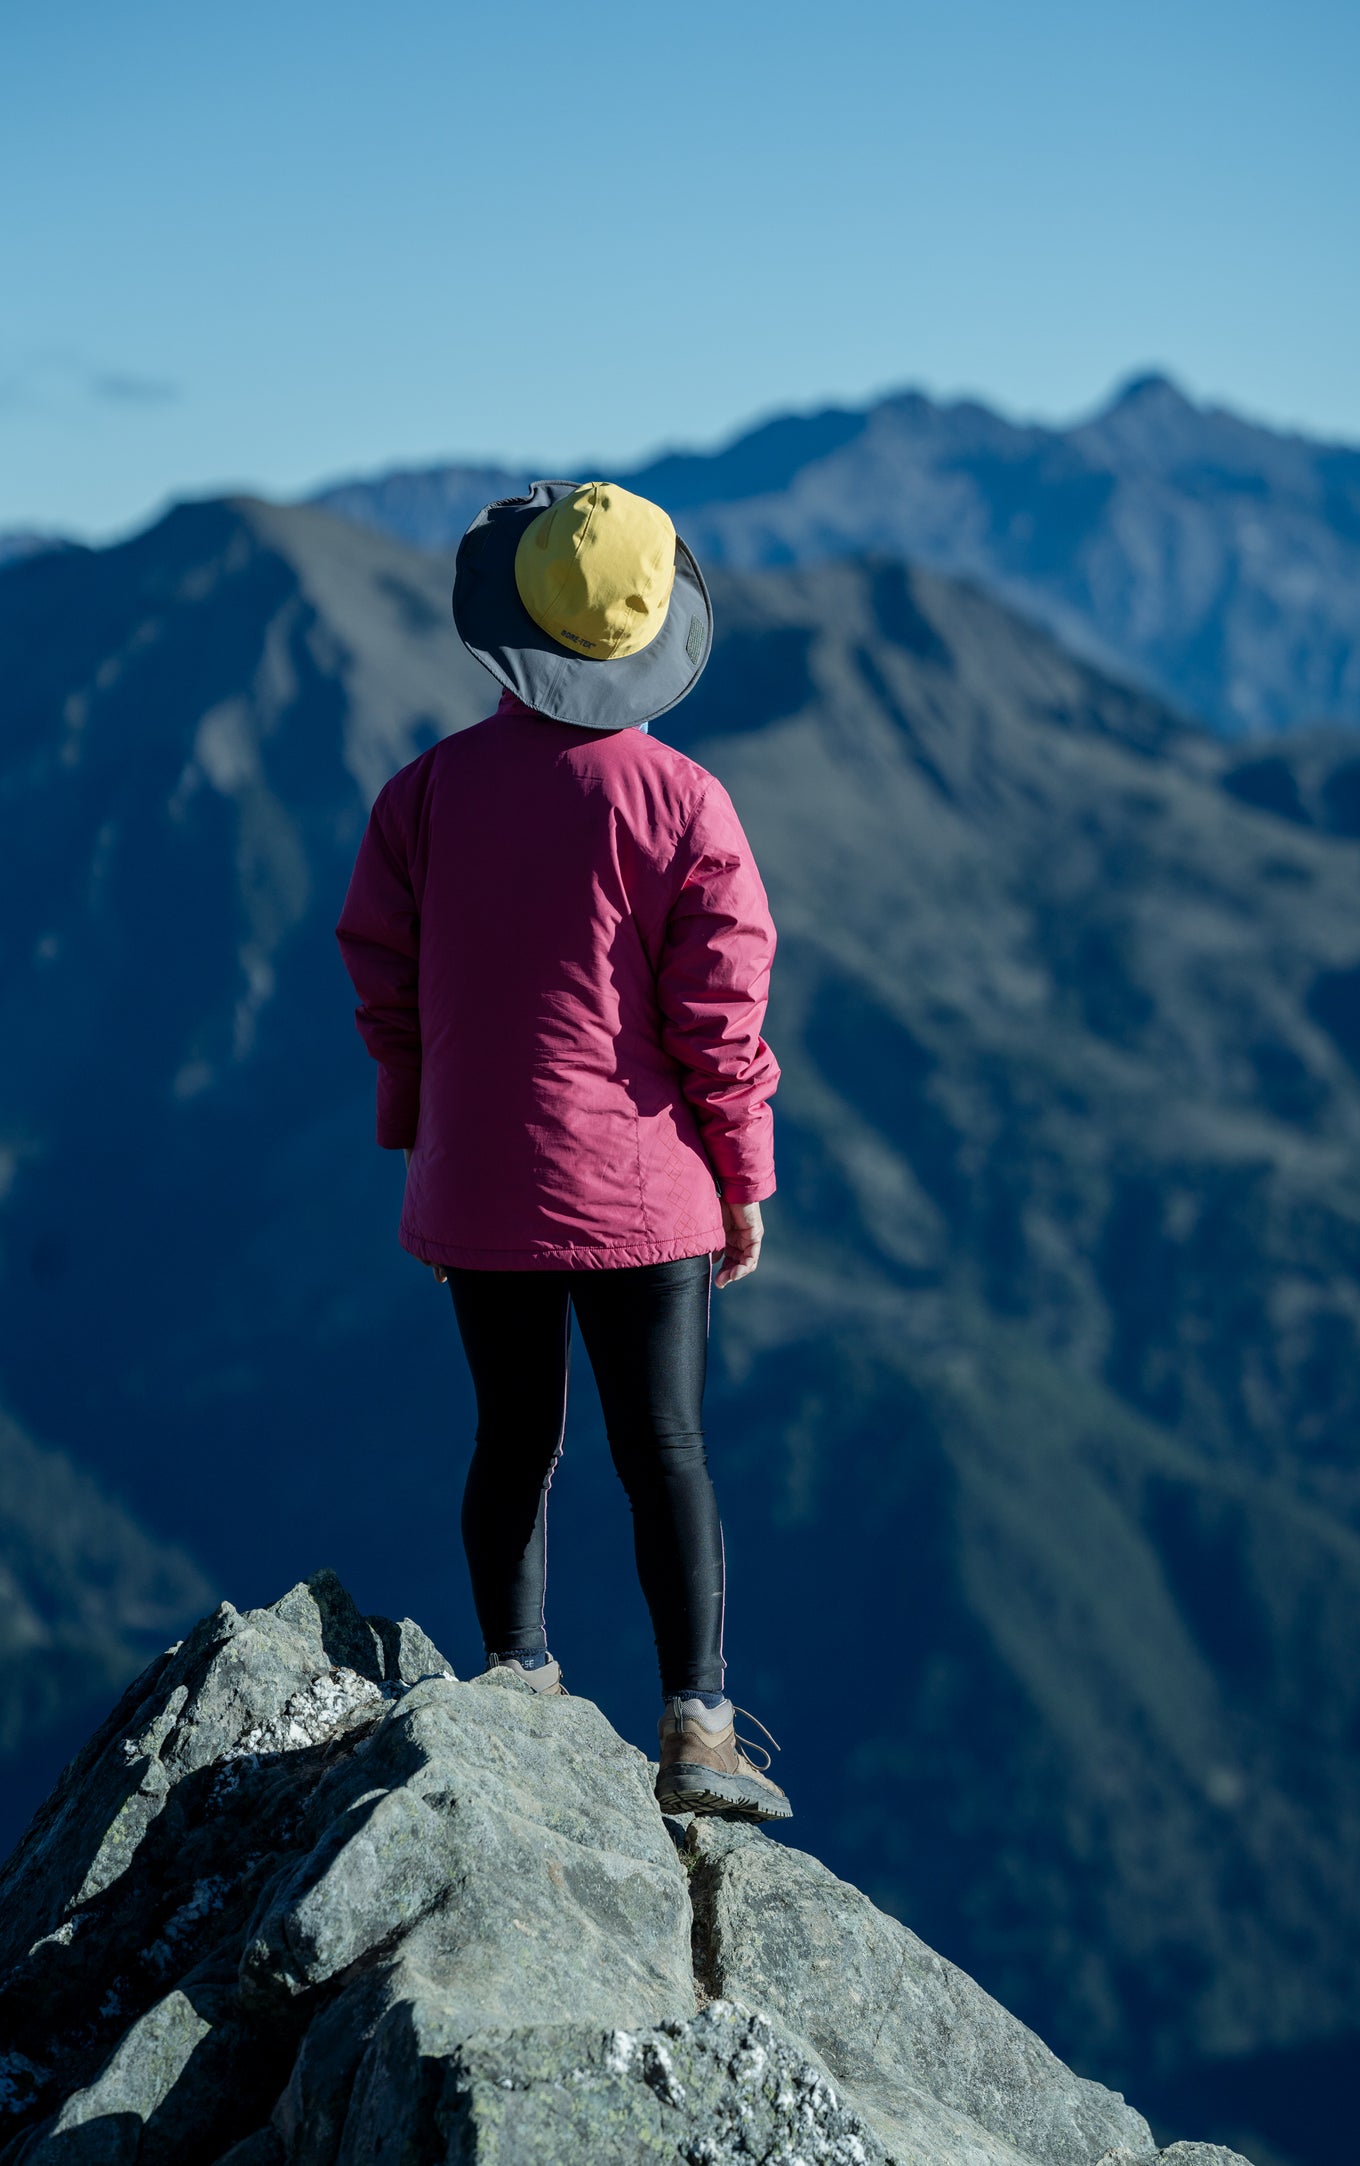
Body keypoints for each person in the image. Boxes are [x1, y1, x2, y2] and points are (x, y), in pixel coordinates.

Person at [335, 478, 791, 1821]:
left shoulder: (421, 796)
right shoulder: (686, 805)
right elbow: (720, 1019)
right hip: (649, 1193)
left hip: (482, 1182)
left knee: (512, 1436)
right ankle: (699, 1728)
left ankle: (516, 1680)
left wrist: (421, 1131)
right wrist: (743, 1175)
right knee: (667, 1446)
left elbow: (386, 980)